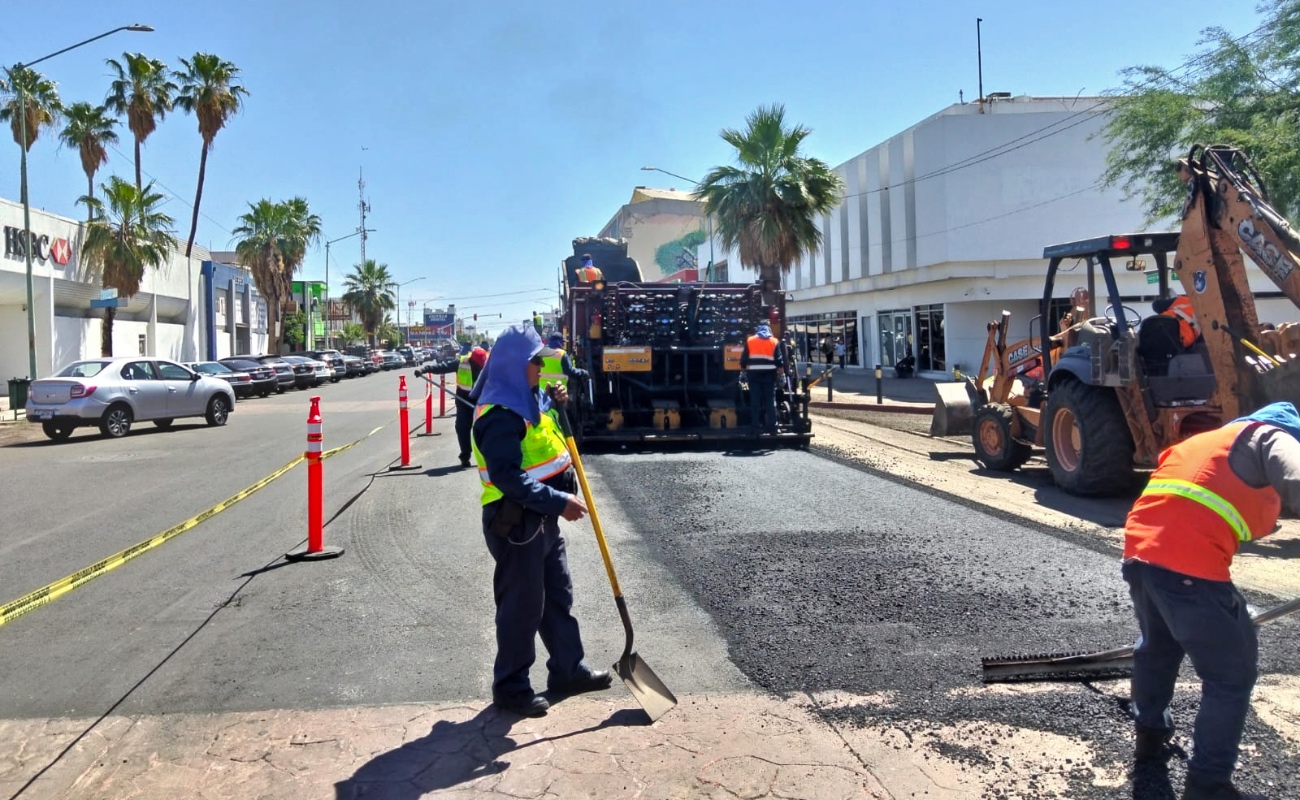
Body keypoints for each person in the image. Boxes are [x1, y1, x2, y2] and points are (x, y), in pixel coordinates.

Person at [1122, 401, 1300, 800]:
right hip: (1187, 567)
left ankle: (1149, 736)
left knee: (1158, 648)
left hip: (1140, 554)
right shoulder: (1271, 435)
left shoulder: (1205, 443)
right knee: (1229, 676)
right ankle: (1207, 785)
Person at [469, 323, 611, 717]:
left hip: (541, 520)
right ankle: (511, 688)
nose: (540, 370)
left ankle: (567, 670)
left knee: (557, 597)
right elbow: (507, 477)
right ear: (516, 366)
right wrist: (558, 502)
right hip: (517, 523)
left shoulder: (527, 399)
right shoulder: (499, 415)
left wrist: (557, 405)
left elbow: (547, 441)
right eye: (535, 363)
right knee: (522, 607)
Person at [417, 346, 488, 467]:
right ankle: (465, 455)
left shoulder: (487, 366)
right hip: (463, 401)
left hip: (481, 402)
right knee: (462, 428)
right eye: (477, 365)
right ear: (472, 360)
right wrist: (424, 369)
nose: (478, 368)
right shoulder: (460, 363)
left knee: (485, 429)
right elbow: (442, 367)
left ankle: (488, 457)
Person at [740, 322, 785, 435]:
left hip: (754, 376)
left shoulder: (750, 340)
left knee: (755, 402)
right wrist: (782, 374)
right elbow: (779, 360)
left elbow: (744, 359)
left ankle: (755, 427)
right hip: (769, 377)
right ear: (769, 331)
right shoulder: (774, 341)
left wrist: (743, 373)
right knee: (770, 401)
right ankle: (772, 427)